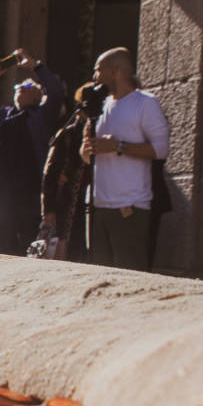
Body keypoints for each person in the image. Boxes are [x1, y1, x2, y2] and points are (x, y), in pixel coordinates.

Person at [0, 48, 65, 254]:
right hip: (2, 194)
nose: (20, 87)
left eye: (27, 85)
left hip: (31, 194)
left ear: (39, 95)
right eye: (17, 85)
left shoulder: (43, 116)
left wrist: (35, 66)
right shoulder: (4, 116)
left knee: (29, 245)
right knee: (2, 247)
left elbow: (56, 92)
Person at [80, 47, 170, 272]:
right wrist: (86, 147)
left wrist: (119, 146)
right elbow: (86, 158)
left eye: (98, 70)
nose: (94, 77)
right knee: (99, 275)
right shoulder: (100, 107)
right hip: (98, 206)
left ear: (115, 71)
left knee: (128, 275)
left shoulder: (145, 103)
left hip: (129, 207)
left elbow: (161, 150)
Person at [41, 83, 94, 261]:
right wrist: (48, 209)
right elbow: (50, 172)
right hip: (68, 204)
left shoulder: (104, 129)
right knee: (66, 252)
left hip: (96, 202)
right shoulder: (68, 135)